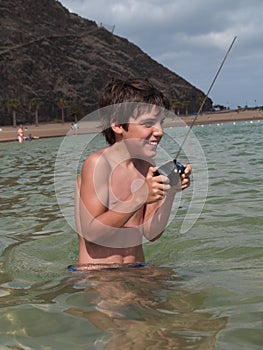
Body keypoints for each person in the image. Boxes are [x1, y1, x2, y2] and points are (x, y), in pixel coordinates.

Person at [74, 78, 191, 267]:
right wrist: (140, 196)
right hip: (99, 275)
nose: (160, 131)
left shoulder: (146, 166)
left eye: (161, 123)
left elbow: (151, 233)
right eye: (148, 123)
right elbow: (92, 234)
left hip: (137, 269)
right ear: (118, 125)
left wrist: (170, 192)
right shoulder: (99, 164)